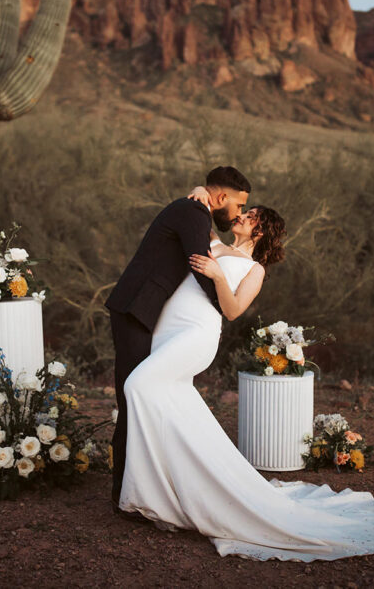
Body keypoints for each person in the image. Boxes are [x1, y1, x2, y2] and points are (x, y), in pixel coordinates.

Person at [117, 191, 374, 562]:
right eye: (245, 211)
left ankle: (154, 493)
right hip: (168, 330)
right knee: (167, 405)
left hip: (195, 336)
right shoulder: (213, 242)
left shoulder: (254, 269)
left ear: (261, 232)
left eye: (251, 216)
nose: (243, 216)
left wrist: (218, 275)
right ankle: (166, 489)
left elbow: (232, 310)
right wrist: (201, 193)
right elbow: (199, 216)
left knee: (137, 385)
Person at [105, 166, 252, 514]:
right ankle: (125, 494)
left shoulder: (195, 210)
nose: (238, 213)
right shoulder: (193, 212)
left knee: (140, 396)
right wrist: (222, 306)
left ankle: (135, 486)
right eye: (237, 205)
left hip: (144, 314)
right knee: (132, 397)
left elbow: (211, 253)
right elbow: (202, 266)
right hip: (135, 310)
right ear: (221, 198)